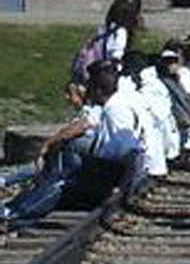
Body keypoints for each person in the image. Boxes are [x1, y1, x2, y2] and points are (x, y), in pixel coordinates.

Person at [1, 62, 146, 227]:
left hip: (109, 174)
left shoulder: (115, 110)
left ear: (97, 90)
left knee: (60, 183)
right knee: (62, 168)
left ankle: (12, 214)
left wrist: (122, 191)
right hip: (107, 169)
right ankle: (16, 211)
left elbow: (132, 152)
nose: (86, 92)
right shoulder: (117, 103)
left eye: (89, 86)